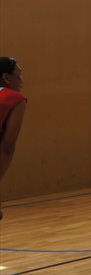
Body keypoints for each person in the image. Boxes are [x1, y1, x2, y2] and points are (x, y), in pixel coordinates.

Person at [0, 57, 27, 221]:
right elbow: (7, 147)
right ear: (6, 77)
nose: (22, 80)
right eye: (19, 74)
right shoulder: (14, 99)